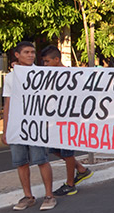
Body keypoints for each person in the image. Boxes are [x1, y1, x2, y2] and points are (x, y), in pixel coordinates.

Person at [2, 41, 57, 211]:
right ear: (17, 55)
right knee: (21, 162)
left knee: (41, 159)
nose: (31, 55)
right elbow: (8, 104)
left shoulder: (41, 73)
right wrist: (5, 130)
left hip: (37, 124)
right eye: (26, 52)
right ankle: (28, 196)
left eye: (32, 52)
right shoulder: (10, 77)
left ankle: (49, 196)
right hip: (18, 126)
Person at [39, 45, 93, 196]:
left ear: (57, 60)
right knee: (54, 149)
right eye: (44, 62)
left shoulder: (71, 75)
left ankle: (70, 184)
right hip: (57, 118)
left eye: (47, 61)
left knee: (67, 151)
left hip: (70, 118)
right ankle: (81, 170)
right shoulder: (51, 74)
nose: (45, 64)